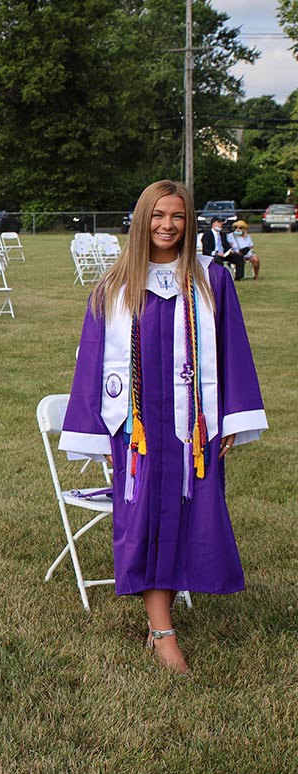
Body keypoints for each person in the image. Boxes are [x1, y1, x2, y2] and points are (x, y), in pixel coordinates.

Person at [60, 179, 267, 674]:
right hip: (137, 432)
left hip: (193, 431)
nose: (167, 225)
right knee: (146, 517)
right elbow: (92, 363)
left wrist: (232, 416)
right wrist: (101, 432)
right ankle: (162, 629)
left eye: (176, 216)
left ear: (188, 220)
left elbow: (232, 350)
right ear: (142, 219)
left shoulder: (211, 280)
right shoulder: (115, 286)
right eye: (157, 216)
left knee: (190, 512)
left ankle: (165, 616)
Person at [200, 216, 246, 281]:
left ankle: (239, 276)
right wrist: (217, 253)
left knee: (239, 257)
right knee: (218, 260)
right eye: (219, 222)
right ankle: (220, 277)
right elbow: (206, 250)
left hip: (224, 254)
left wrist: (230, 250)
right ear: (213, 223)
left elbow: (226, 245)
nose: (221, 224)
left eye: (221, 223)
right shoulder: (207, 235)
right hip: (213, 255)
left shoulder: (223, 234)